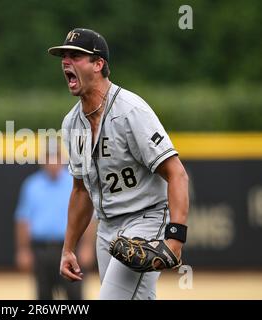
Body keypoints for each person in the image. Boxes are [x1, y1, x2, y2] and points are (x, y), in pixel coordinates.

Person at [47, 28, 189, 300]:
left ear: (99, 64)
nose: (66, 61)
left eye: (76, 55)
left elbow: (177, 173)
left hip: (145, 218)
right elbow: (80, 191)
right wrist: (68, 248)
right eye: (64, 56)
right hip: (107, 229)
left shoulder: (131, 111)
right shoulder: (72, 123)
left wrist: (175, 238)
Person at [14, 147, 95, 300]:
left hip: (71, 249)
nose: (52, 163)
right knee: (43, 296)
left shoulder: (75, 183)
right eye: (48, 159)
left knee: (75, 296)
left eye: (55, 158)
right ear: (42, 162)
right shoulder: (32, 185)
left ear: (62, 160)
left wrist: (87, 246)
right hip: (42, 250)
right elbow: (23, 219)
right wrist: (23, 249)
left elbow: (88, 216)